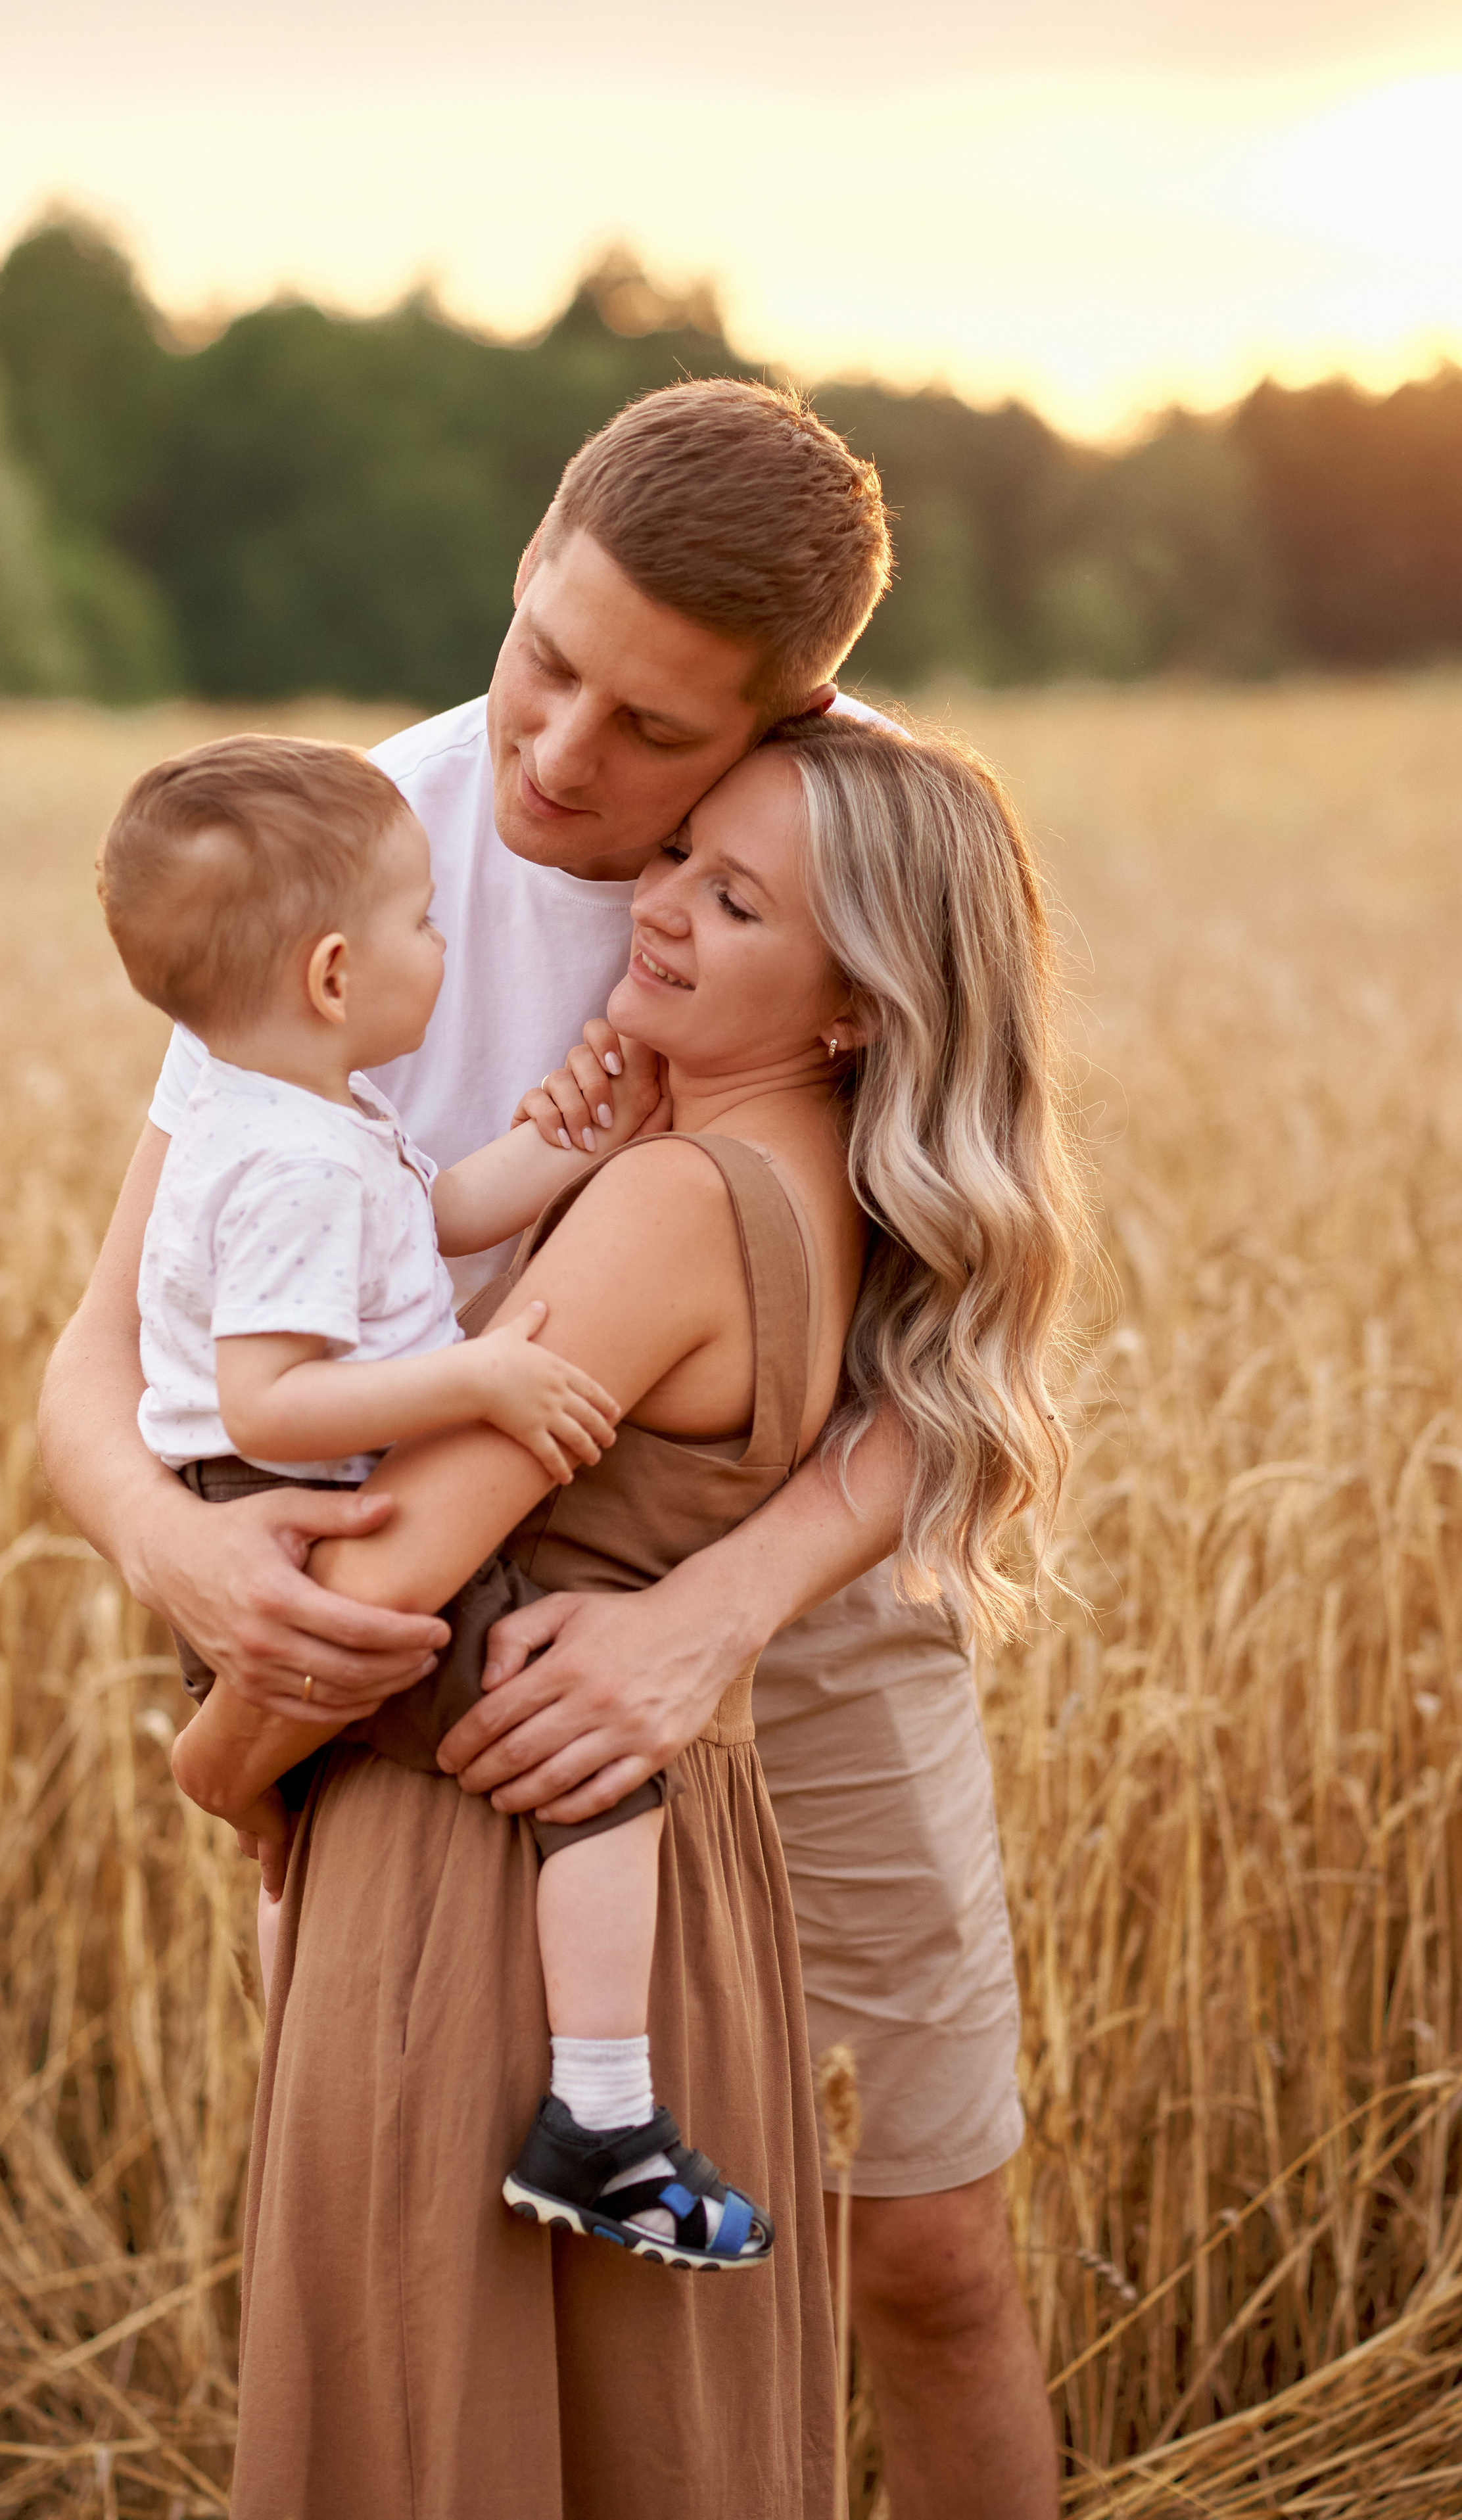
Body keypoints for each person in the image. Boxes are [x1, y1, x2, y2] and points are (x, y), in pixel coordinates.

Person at [39, 378, 1064, 2515]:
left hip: (785, 1568)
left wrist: (713, 1614)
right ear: (521, 568)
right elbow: (99, 1352)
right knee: (440, 2276)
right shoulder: (333, 852)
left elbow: (949, 1336)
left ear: (795, 718)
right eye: (543, 662)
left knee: (934, 2245)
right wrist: (189, 1562)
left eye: (658, 738)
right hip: (419, 1606)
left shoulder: (848, 851)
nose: (560, 760)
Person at [207, 712, 1076, 2514]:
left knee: (437, 2416)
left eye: (734, 900)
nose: (658, 905)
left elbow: (387, 1576)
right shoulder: (814, 1187)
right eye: (680, 856)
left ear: (854, 1008)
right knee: (643, 2431)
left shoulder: (673, 1206)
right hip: (672, 1859)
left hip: (478, 1859)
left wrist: (219, 1766)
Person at [99, 726, 772, 2264]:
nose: (444, 939)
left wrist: (560, 1143)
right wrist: (477, 1381)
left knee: (308, 1816)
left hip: (298, 1505)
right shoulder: (292, 1165)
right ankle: (601, 2121)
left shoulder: (314, 1123)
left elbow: (444, 1214)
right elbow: (273, 1395)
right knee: (598, 1772)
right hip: (296, 1520)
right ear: (336, 976)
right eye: (419, 922)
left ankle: (307, 2070)